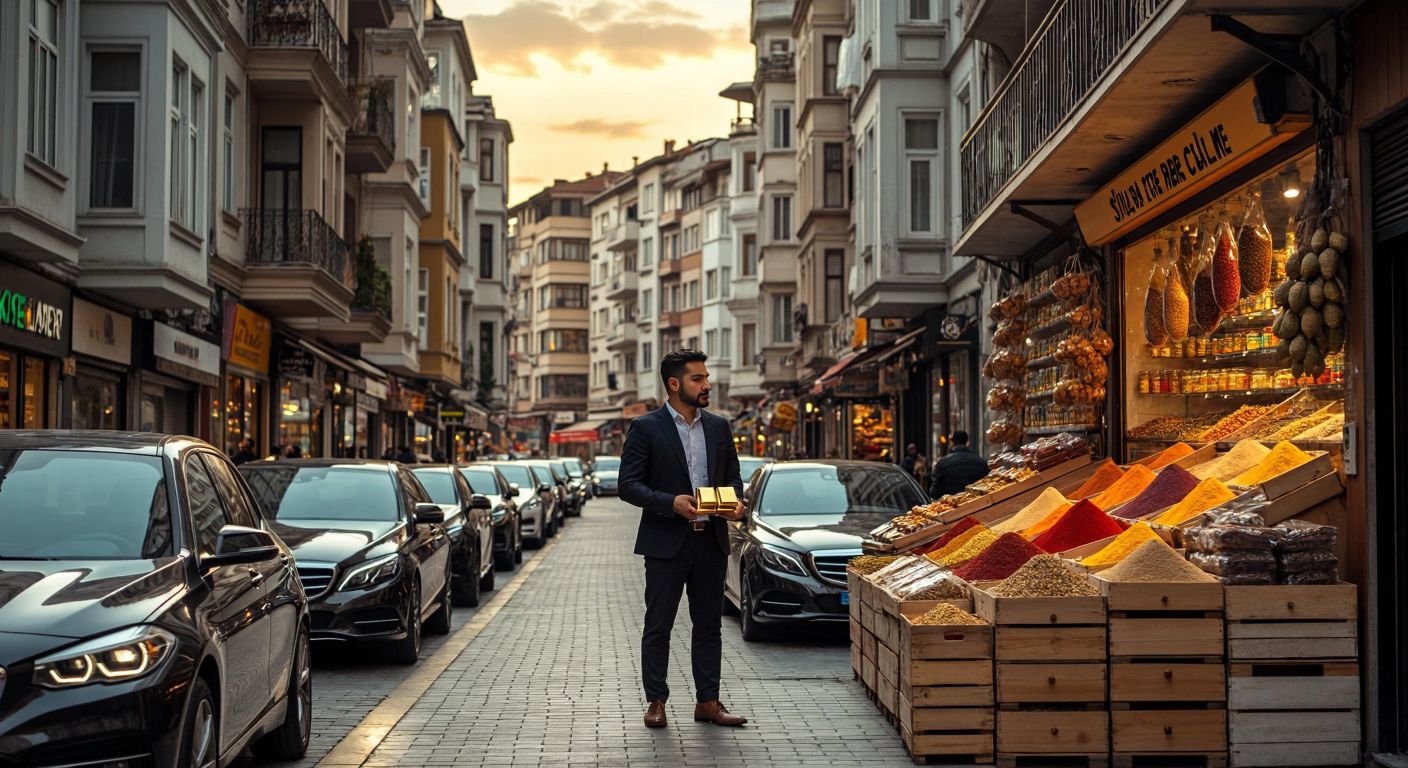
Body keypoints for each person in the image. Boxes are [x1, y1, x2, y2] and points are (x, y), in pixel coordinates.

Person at [618, 349, 748, 730]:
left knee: (709, 625)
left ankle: (708, 701)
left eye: (706, 377)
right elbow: (628, 486)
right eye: (698, 378)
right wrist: (669, 503)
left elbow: (733, 477)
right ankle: (656, 701)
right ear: (675, 384)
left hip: (711, 540)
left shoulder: (720, 427)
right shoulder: (646, 427)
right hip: (665, 543)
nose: (707, 384)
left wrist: (734, 502)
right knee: (658, 625)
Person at [929, 431, 990, 498]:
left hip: (951, 505)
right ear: (967, 442)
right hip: (977, 504)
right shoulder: (981, 462)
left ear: (952, 443)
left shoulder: (943, 462)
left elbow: (934, 491)